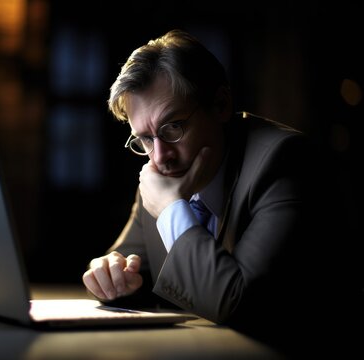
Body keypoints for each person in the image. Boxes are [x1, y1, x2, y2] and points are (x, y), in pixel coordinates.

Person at [82, 29, 348, 354]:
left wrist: (170, 209)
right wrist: (110, 276)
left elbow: (239, 304)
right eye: (146, 139)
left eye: (173, 127)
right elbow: (132, 269)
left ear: (221, 105)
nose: (160, 156)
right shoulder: (164, 171)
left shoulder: (285, 161)